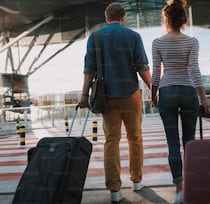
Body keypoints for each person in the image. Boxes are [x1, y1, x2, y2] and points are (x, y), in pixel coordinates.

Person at [79, 2, 151, 202]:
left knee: (112, 141)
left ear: (106, 18)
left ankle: (115, 190)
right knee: (135, 139)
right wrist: (154, 91)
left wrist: (84, 95)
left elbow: (89, 69)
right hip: (131, 96)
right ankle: (137, 181)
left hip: (106, 97)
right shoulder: (133, 36)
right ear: (123, 17)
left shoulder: (95, 37)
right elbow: (142, 67)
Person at [151, 0, 210, 203]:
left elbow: (155, 74)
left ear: (165, 19)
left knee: (172, 143)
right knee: (190, 143)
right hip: (188, 93)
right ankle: (193, 185)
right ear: (183, 19)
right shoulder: (192, 41)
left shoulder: (158, 42)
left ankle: (179, 191)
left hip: (167, 93)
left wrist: (153, 96)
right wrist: (203, 98)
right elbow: (194, 70)